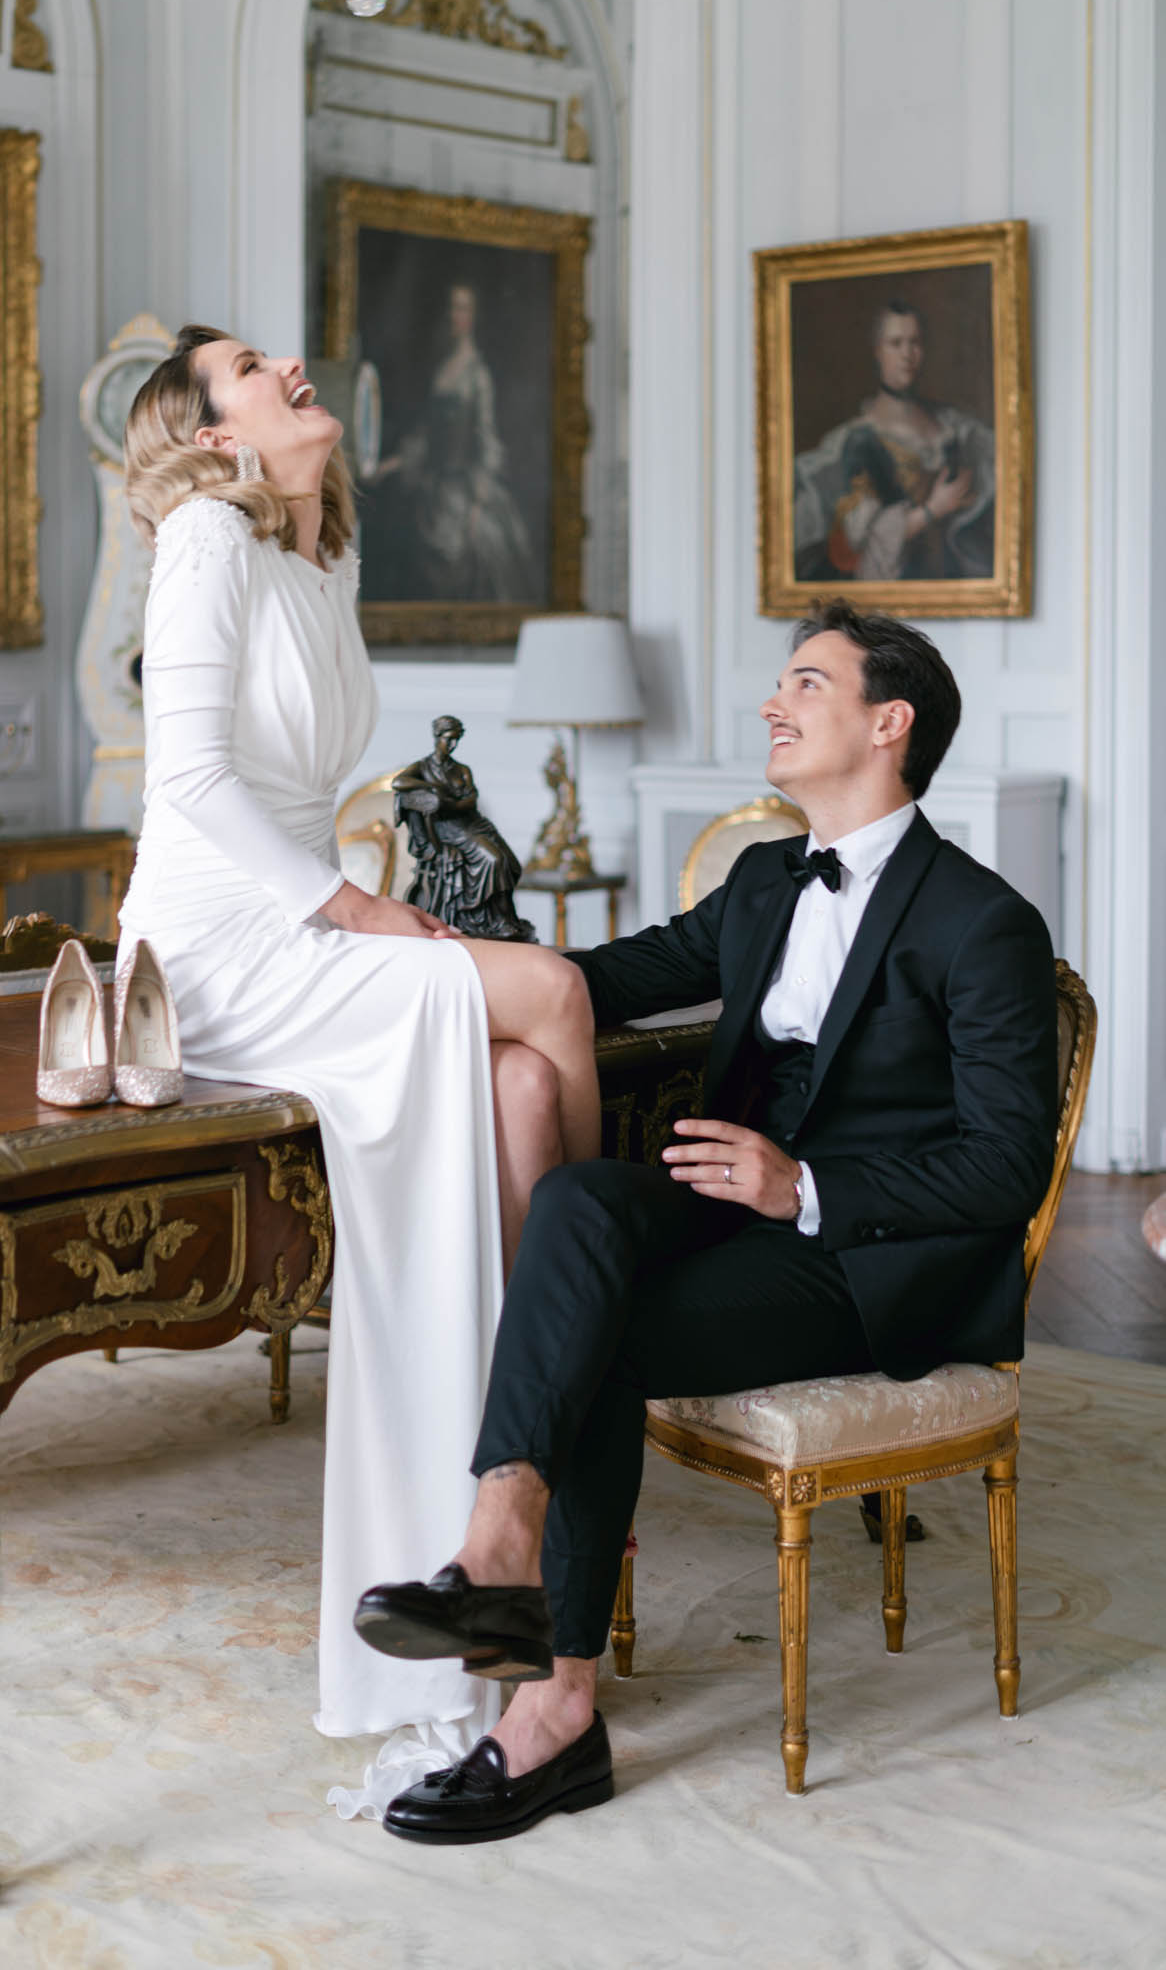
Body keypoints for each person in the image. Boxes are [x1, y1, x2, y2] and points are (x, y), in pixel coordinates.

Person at [355, 599, 1060, 1842]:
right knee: (577, 1199)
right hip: (727, 1211)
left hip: (864, 1260)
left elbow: (1005, 1166)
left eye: (803, 683)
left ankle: (552, 1709)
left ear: (887, 723)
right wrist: (412, 941)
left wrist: (805, 1188)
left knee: (599, 1333)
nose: (769, 705)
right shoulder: (760, 879)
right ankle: (500, 1535)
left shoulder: (982, 921)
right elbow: (594, 977)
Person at [117, 324, 597, 1817]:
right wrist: (351, 908)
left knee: (521, 1091)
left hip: (307, 926)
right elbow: (188, 783)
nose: (290, 370)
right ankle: (578, 1414)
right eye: (249, 370)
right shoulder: (204, 534)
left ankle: (500, 1529)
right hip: (219, 951)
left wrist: (352, 905)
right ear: (207, 435)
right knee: (556, 992)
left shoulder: (321, 559)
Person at [793, 300, 995, 584]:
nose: (907, 355)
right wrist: (932, 510)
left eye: (915, 343)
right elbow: (859, 541)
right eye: (895, 343)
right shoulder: (856, 441)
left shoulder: (956, 428)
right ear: (878, 352)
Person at [368, 283, 539, 602]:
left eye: (462, 308)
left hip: (465, 491)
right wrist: (390, 464)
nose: (454, 315)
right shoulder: (441, 370)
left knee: (473, 554)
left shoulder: (478, 375)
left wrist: (476, 506)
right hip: (434, 488)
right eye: (450, 307)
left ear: (472, 317)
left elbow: (487, 442)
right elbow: (425, 437)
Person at [392, 715, 535, 941]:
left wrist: (446, 803)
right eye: (448, 739)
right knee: (494, 860)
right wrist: (432, 788)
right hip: (447, 830)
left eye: (456, 740)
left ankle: (502, 919)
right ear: (437, 737)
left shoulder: (462, 770)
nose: (452, 745)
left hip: (472, 823)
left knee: (510, 863)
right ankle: (493, 920)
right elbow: (398, 783)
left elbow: (471, 801)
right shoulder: (423, 767)